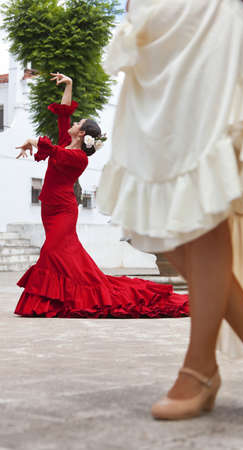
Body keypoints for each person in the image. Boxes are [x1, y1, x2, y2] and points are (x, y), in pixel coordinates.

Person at [96, 0, 243, 420]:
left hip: (206, 17)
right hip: (154, 22)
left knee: (199, 188)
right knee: (156, 204)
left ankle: (200, 366)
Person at [14, 73, 188, 319]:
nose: (73, 123)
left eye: (78, 122)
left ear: (82, 132)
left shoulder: (78, 158)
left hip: (64, 211)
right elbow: (64, 113)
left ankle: (48, 301)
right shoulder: (66, 141)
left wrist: (31, 140)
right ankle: (57, 299)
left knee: (52, 251)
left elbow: (51, 151)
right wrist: (70, 84)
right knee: (65, 256)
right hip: (49, 208)